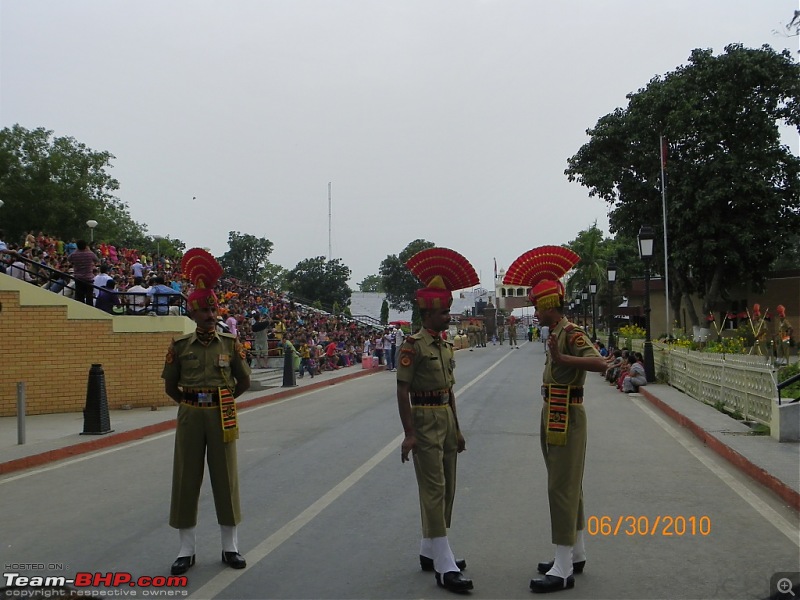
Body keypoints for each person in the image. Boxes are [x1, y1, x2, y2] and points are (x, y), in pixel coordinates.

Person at [505, 246, 607, 595]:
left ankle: (562, 568)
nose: (534, 310)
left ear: (549, 305)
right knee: (568, 486)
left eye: (537, 305)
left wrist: (563, 357)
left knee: (560, 488)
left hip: (567, 413)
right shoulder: (555, 333)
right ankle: (574, 553)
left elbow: (600, 363)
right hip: (555, 410)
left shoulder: (571, 333)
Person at [161, 249, 251, 576]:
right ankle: (187, 550)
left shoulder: (229, 344)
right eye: (205, 310)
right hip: (190, 413)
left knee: (225, 478)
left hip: (221, 413)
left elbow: (244, 380)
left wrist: (224, 399)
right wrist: (192, 403)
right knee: (187, 478)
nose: (211, 314)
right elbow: (170, 386)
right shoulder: (180, 347)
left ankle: (231, 546)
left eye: (213, 308)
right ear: (193, 313)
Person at [397, 247, 478, 594]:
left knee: (448, 487)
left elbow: (449, 391)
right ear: (429, 314)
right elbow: (402, 391)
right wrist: (409, 434)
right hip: (424, 419)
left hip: (445, 418)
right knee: (434, 489)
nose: (450, 316)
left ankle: (429, 549)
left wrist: (458, 430)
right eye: (445, 311)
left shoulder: (445, 347)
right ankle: (444, 565)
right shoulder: (412, 346)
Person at [68, 240, 100, 305]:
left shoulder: (74, 254)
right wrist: (89, 250)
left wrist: (76, 250)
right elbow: (97, 259)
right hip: (88, 279)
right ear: (85, 246)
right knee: (89, 297)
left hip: (78, 278)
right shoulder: (90, 254)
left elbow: (69, 259)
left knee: (79, 297)